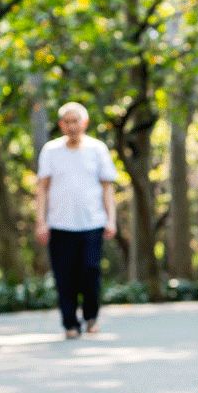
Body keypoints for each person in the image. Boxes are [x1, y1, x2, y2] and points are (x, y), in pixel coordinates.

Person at [35, 102, 118, 339]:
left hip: (92, 223)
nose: (72, 126)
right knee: (65, 276)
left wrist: (111, 219)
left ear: (85, 123)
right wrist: (41, 222)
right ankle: (70, 323)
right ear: (61, 125)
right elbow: (42, 188)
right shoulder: (51, 151)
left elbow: (107, 187)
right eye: (67, 122)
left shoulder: (97, 149)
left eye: (76, 121)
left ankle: (91, 317)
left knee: (91, 272)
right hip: (60, 225)